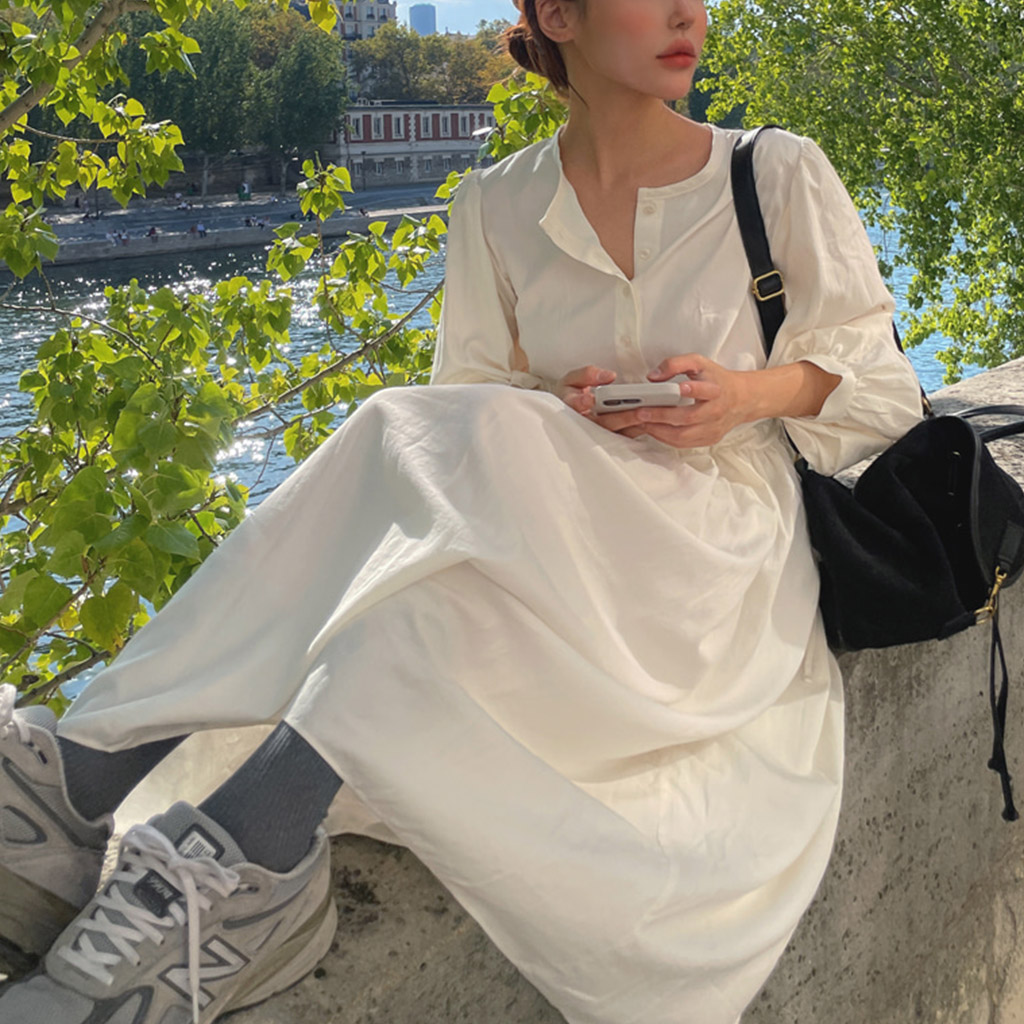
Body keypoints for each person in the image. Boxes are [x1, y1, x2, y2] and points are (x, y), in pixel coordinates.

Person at [0, 0, 924, 1022]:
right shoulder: (496, 199)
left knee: (413, 439)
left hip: (720, 560)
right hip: (561, 544)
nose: (685, 16)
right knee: (412, 596)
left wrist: (741, 397)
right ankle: (231, 863)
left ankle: (87, 780)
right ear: (559, 16)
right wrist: (559, 400)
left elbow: (884, 395)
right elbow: (464, 415)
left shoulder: (772, 170)